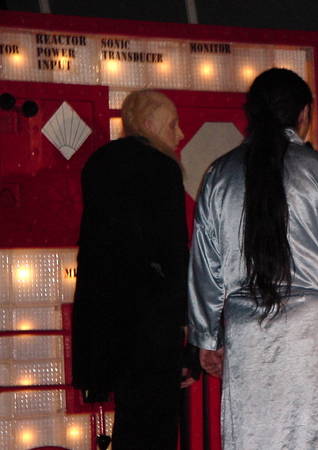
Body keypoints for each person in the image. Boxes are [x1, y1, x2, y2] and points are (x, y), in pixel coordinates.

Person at [187, 68, 318, 449]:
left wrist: (208, 335)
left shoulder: (218, 175)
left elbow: (206, 266)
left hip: (247, 329)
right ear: (304, 114)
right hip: (313, 331)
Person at [72, 90, 191, 450]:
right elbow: (172, 250)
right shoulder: (162, 167)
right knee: (156, 426)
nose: (180, 133)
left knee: (129, 423)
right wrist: (186, 322)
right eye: (172, 124)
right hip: (152, 324)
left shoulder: (99, 163)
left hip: (107, 322)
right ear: (149, 124)